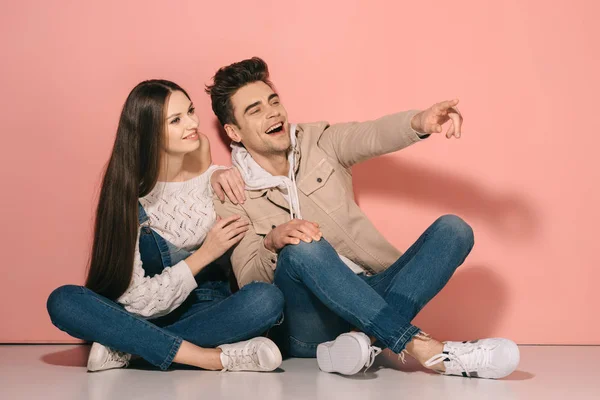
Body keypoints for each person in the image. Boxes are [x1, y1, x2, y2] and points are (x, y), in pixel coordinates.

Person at [207, 58, 520, 378]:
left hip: (370, 290)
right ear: (233, 131)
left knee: (454, 230)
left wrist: (419, 122)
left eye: (274, 101)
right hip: (307, 322)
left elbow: (371, 134)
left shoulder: (318, 141)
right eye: (255, 109)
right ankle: (428, 351)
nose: (272, 112)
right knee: (302, 245)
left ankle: (363, 341)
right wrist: (273, 242)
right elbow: (248, 280)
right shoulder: (231, 192)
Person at [47, 79, 284, 373]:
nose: (192, 123)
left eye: (190, 111)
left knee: (266, 300)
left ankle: (129, 348)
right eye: (176, 120)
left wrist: (217, 172)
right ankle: (208, 358)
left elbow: (206, 181)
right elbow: (139, 301)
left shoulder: (207, 161)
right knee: (63, 301)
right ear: (149, 134)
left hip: (206, 308)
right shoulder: (129, 195)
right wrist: (206, 254)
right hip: (142, 312)